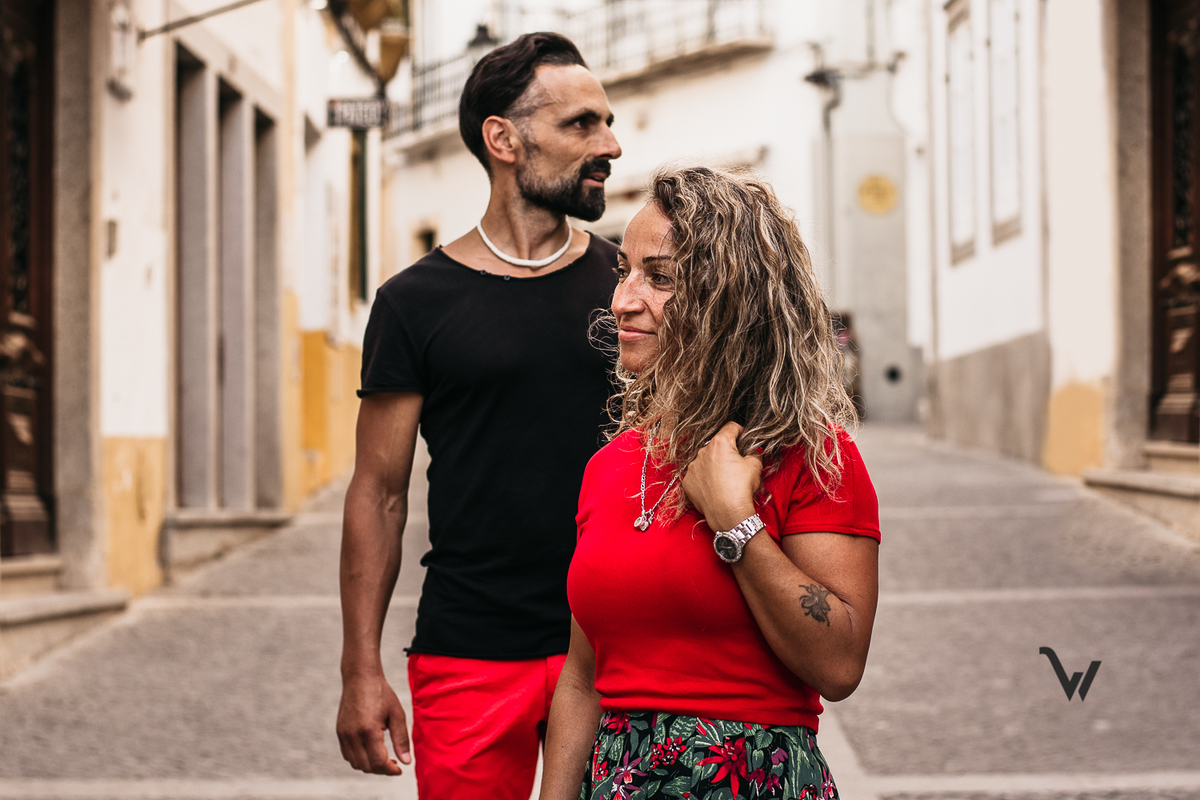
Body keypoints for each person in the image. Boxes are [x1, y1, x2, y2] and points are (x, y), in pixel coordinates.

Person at [336, 32, 622, 800]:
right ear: (503, 139)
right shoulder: (414, 303)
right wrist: (360, 669)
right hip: (471, 649)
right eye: (581, 124)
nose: (610, 145)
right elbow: (378, 493)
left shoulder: (628, 286)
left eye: (608, 122)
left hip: (616, 648)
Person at [539, 166, 881, 800]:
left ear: (732, 299)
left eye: (660, 277)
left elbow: (838, 664)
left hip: (752, 782)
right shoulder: (610, 466)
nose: (623, 301)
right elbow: (583, 679)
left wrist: (735, 523)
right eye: (624, 272)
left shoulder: (813, 456)